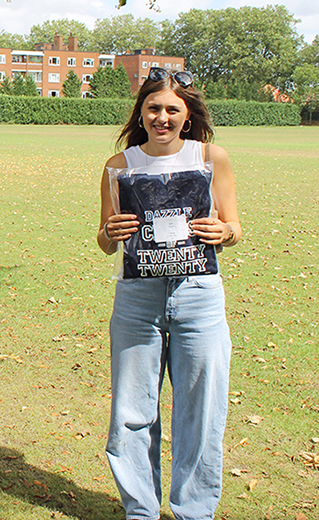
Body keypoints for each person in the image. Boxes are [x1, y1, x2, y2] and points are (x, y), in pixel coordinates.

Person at [97, 67, 241, 520]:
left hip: (199, 295)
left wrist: (223, 231)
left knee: (200, 412)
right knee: (132, 412)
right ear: (140, 113)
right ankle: (141, 510)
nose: (162, 117)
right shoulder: (119, 166)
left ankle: (193, 511)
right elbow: (104, 240)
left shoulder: (211, 156)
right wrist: (110, 231)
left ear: (188, 114)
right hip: (138, 301)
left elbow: (235, 227)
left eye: (172, 110)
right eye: (153, 108)